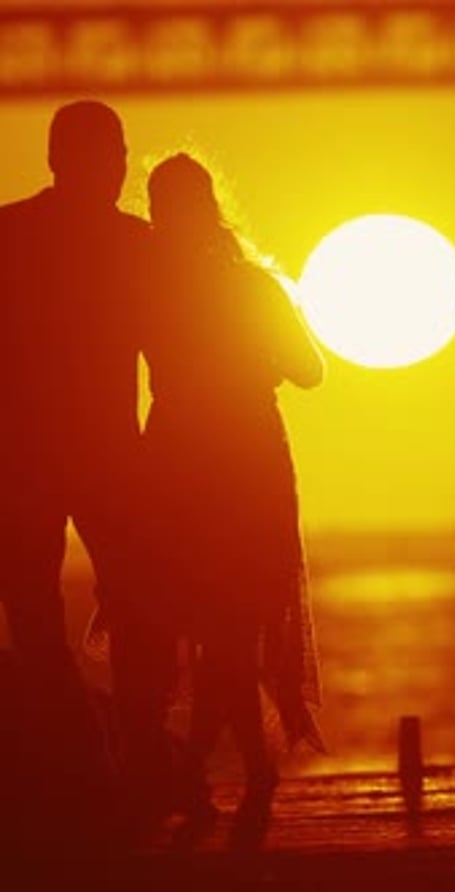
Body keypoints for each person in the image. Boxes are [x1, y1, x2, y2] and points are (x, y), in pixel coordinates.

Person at [0, 100, 171, 847]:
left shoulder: (7, 235)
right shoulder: (139, 246)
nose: (119, 168)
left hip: (24, 458)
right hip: (105, 457)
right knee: (140, 609)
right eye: (114, 154)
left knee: (36, 614)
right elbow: (175, 358)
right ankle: (132, 754)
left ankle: (77, 754)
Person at [144, 153, 325, 847]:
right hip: (246, 459)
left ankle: (212, 772)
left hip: (180, 462)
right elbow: (309, 371)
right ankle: (241, 773)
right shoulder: (251, 287)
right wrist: (257, 352)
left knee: (214, 629)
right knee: (233, 630)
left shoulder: (145, 289)